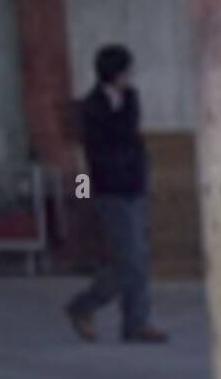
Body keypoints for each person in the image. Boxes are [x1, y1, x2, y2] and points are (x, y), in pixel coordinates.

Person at [64, 44, 168, 344]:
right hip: (111, 190)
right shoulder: (91, 107)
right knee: (132, 259)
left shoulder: (130, 98)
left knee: (132, 258)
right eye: (126, 71)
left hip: (134, 185)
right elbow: (110, 142)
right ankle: (132, 320)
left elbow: (129, 133)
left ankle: (88, 308)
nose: (130, 77)